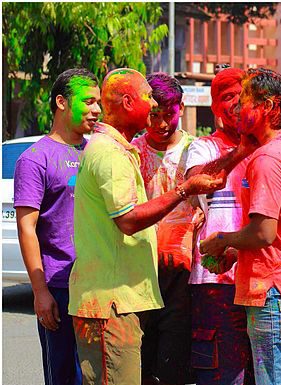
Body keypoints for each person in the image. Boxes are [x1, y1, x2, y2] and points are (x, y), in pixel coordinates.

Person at [69, 68, 223, 385]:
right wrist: (184, 190)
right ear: (128, 102)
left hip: (148, 286)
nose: (154, 109)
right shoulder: (114, 153)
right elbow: (127, 220)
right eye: (148, 98)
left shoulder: (120, 150)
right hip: (111, 300)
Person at [199, 68, 281, 385]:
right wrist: (237, 254)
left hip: (273, 296)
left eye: (245, 101)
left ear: (267, 106)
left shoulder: (267, 158)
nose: (237, 110)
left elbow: (263, 234)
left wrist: (221, 240)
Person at [14, 68, 100, 385]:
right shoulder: (35, 158)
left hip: (99, 285)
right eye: (88, 101)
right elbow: (27, 229)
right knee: (65, 376)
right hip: (60, 288)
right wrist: (40, 291)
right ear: (62, 102)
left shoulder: (98, 153)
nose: (97, 110)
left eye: (99, 103)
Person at [185, 67, 256, 385]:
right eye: (229, 97)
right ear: (215, 107)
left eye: (244, 96)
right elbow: (196, 181)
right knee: (220, 374)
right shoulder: (204, 146)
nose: (238, 104)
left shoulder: (269, 148)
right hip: (215, 280)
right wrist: (240, 150)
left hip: (260, 277)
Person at [131, 72, 195, 385]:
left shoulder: (195, 152)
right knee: (141, 356)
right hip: (139, 269)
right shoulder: (132, 153)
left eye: (168, 115)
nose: (160, 124)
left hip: (182, 273)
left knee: (174, 360)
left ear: (180, 108)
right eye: (153, 115)